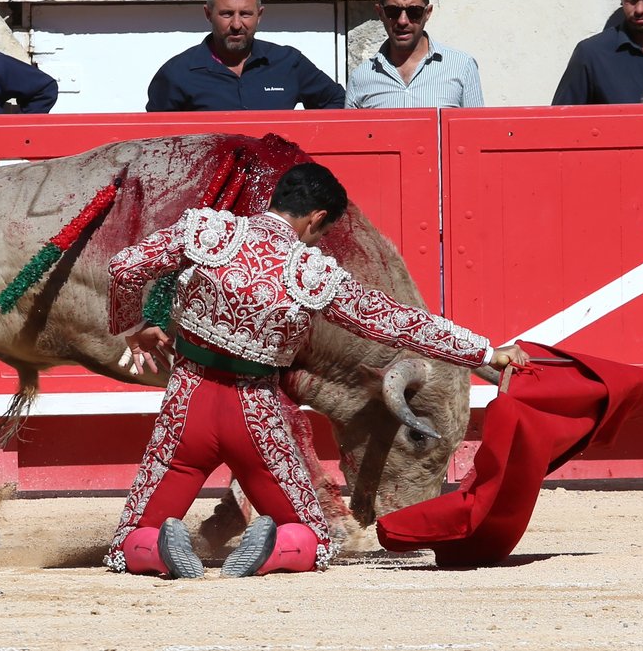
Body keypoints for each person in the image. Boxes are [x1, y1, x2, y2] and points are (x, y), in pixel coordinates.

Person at [105, 163, 527, 579]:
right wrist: (487, 352)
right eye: (322, 232)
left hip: (187, 400)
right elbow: (397, 322)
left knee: (135, 533)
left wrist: (135, 328)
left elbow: (124, 268)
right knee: (311, 536)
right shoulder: (310, 273)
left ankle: (157, 548)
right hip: (255, 414)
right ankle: (273, 548)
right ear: (317, 217)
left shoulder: (206, 233)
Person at [145, 0, 344, 112]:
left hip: (277, 174)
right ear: (208, 14)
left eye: (246, 14)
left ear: (260, 15)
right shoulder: (177, 73)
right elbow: (157, 139)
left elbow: (337, 102)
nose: (237, 25)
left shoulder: (288, 62)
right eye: (227, 14)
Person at [344, 0, 482, 109]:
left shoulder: (462, 67)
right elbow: (350, 133)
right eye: (393, 11)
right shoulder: (360, 78)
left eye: (414, 12)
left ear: (427, 13)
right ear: (380, 13)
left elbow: (478, 131)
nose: (403, 21)